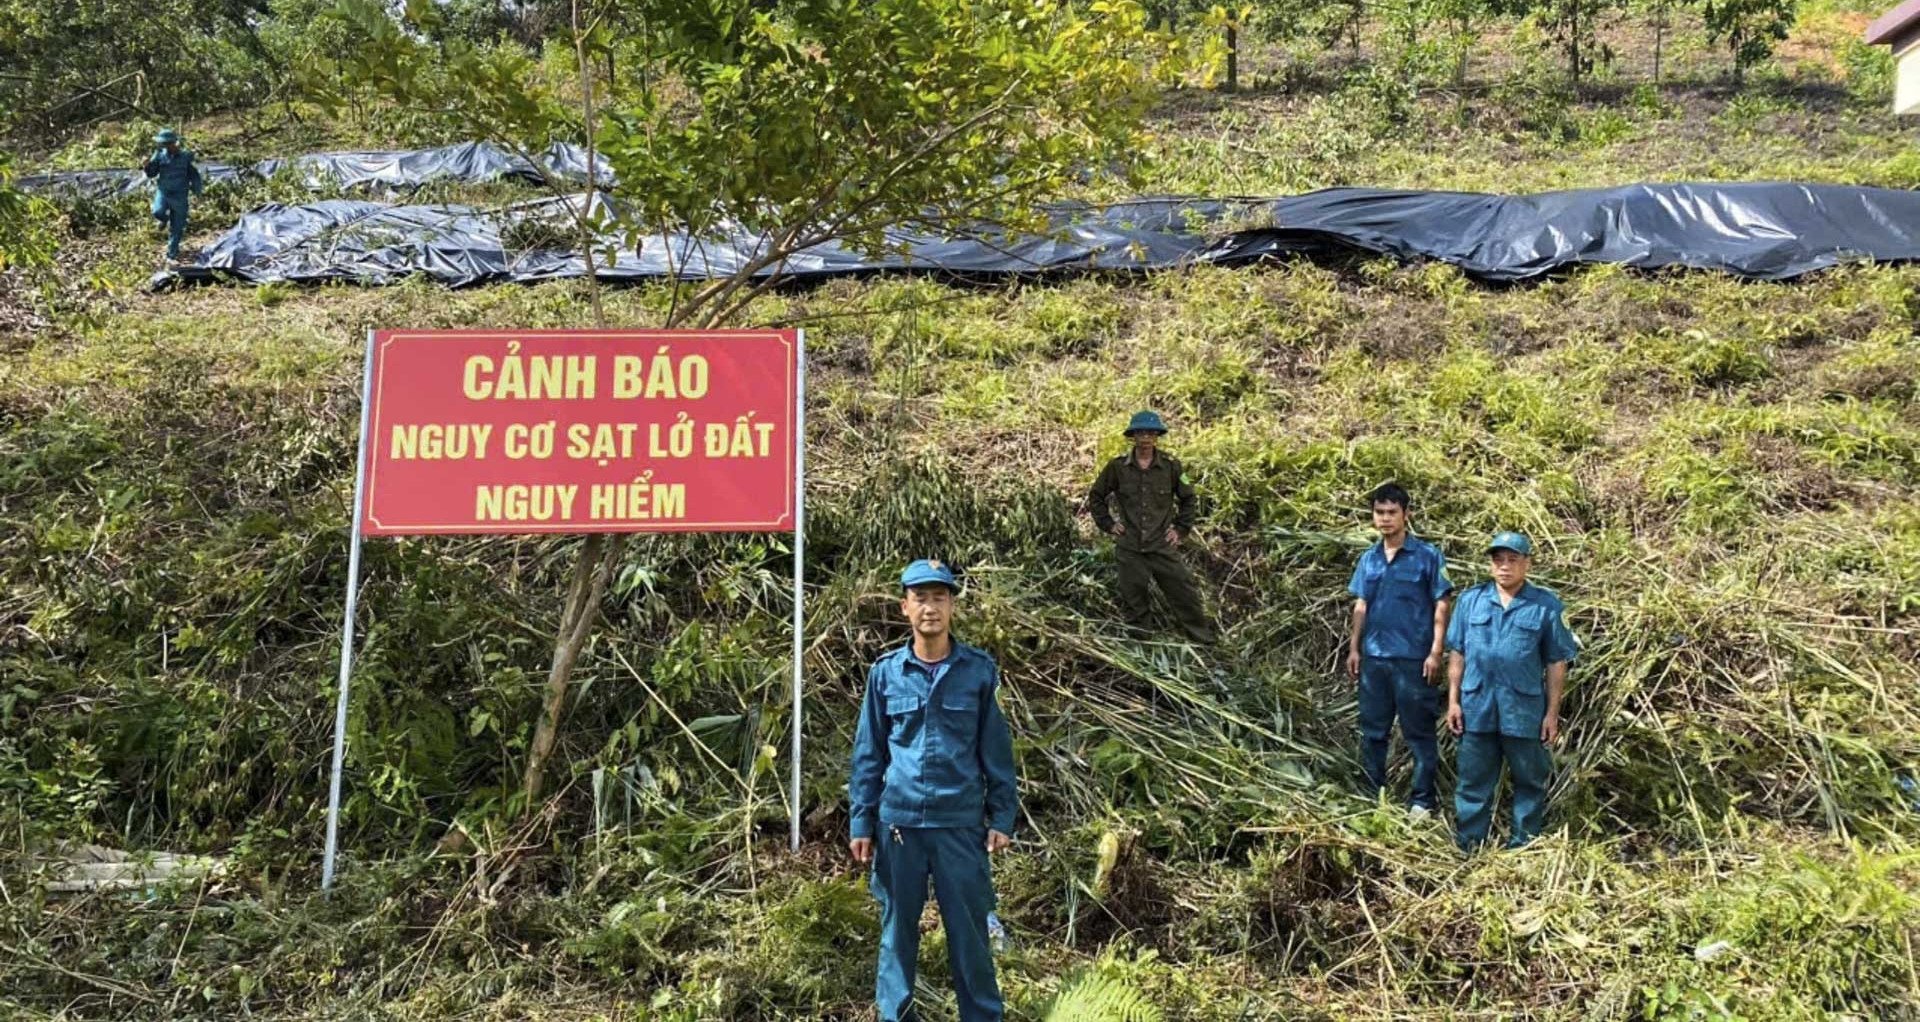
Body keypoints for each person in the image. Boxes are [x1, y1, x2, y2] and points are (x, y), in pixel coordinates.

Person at [848, 559, 1018, 1022]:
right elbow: (869, 753)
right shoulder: (885, 674)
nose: (930, 608)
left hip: (959, 826)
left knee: (969, 938)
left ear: (952, 607)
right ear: (905, 607)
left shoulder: (978, 673)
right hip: (899, 825)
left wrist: (1002, 816)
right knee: (897, 935)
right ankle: (895, 1017)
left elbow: (997, 751)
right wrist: (861, 820)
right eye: (921, 598)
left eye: (939, 598)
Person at [1444, 532, 1578, 850]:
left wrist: (1552, 713)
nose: (1504, 567)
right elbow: (1457, 654)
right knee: (1474, 781)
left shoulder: (1546, 606)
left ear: (1526, 564)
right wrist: (1453, 701)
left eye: (1512, 560)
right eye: (1498, 560)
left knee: (1530, 780)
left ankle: (1523, 844)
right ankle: (1469, 845)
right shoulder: (1470, 601)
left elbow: (1556, 662)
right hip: (1477, 706)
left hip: (1524, 710)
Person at [1345, 483, 1452, 819]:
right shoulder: (1369, 559)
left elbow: (1442, 603)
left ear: (1406, 515)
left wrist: (1436, 651)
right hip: (1375, 659)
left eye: (1392, 512)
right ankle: (1371, 794)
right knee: (1373, 729)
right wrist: (1354, 649)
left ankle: (1422, 800)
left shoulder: (1428, 556)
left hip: (1413, 660)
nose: (1386, 519)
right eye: (1380, 512)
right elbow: (1361, 604)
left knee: (1418, 731)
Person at [1086, 410, 1218, 644]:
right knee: (1134, 598)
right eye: (1140, 433)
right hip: (1130, 547)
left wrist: (1180, 529)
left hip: (1161, 545)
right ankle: (1143, 645)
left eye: (1150, 433)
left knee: (1183, 591)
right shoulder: (1117, 467)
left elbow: (1188, 499)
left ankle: (1202, 639)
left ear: (1157, 436)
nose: (1145, 437)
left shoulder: (1171, 466)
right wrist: (1108, 524)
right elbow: (1096, 496)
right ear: (1133, 436)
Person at [142, 128, 204, 263]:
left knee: (177, 226)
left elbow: (194, 175)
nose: (165, 147)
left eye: (167, 144)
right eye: (163, 145)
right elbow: (152, 173)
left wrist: (197, 190)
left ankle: (172, 254)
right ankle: (163, 219)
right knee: (157, 211)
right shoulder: (159, 155)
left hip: (180, 194)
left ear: (174, 143)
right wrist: (147, 165)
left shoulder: (185, 157)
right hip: (163, 191)